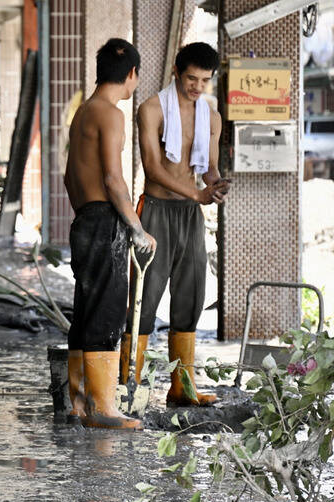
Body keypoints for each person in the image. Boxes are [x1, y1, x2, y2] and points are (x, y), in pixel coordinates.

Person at [119, 42, 229, 406]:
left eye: (205, 81)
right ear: (177, 74)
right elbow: (152, 168)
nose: (197, 86)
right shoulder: (151, 109)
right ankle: (126, 390)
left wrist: (214, 186)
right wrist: (198, 195)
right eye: (192, 78)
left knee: (191, 296)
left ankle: (182, 388)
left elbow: (209, 168)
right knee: (144, 301)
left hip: (190, 216)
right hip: (155, 211)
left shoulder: (211, 117)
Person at [63, 38, 156, 430]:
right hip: (103, 221)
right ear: (132, 74)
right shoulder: (111, 113)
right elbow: (114, 179)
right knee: (107, 311)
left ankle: (79, 403)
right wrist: (136, 229)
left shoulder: (82, 112)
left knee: (86, 309)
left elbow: (70, 177)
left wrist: (87, 215)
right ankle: (103, 409)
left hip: (84, 218)